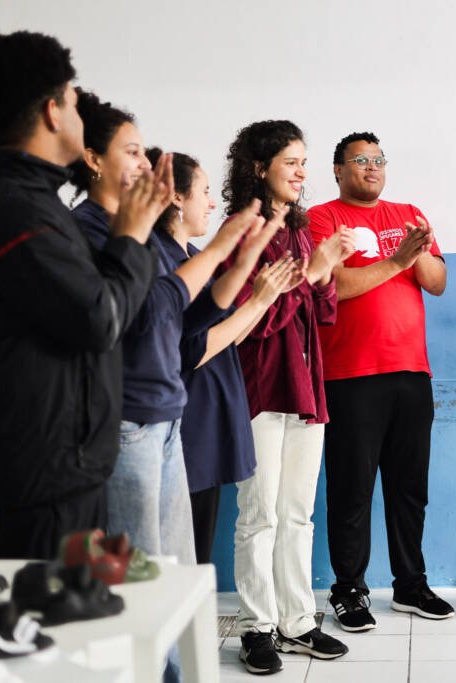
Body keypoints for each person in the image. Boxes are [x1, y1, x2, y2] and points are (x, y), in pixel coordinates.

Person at [0, 31, 169, 559]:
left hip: (68, 457)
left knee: (77, 618)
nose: (79, 114)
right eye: (72, 100)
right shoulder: (12, 208)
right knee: (53, 626)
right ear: (51, 111)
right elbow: (100, 317)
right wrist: (131, 234)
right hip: (47, 461)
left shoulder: (29, 201)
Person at [68, 91, 277, 567]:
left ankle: (179, 646)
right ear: (93, 159)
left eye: (144, 151)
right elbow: (150, 317)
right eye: (133, 151)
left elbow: (188, 315)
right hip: (126, 417)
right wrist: (220, 252)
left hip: (164, 414)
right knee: (144, 572)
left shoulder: (137, 231)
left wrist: (239, 258)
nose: (146, 163)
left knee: (177, 570)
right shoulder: (90, 230)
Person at [223, 120, 355, 675]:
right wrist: (315, 274)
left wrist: (322, 274)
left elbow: (319, 313)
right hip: (260, 388)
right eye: (291, 162)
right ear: (259, 168)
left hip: (306, 389)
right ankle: (258, 627)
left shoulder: (299, 230)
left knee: (297, 514)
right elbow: (252, 320)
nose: (303, 172)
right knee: (259, 516)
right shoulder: (245, 227)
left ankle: (298, 621)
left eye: (304, 162)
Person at [308, 132, 452, 631]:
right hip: (351, 375)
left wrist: (416, 254)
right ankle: (349, 590)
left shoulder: (408, 213)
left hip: (412, 372)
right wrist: (396, 262)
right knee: (351, 489)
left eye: (378, 160)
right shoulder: (324, 219)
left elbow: (436, 282)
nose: (372, 167)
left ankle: (410, 585)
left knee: (409, 487)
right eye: (360, 160)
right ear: (338, 169)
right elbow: (335, 286)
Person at [144, 147, 299, 564]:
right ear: (177, 197)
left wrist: (267, 297)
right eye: (205, 191)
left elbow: (229, 333)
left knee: (198, 551)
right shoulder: (159, 259)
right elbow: (192, 350)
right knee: (179, 556)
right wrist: (257, 301)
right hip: (185, 422)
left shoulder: (193, 258)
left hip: (210, 417)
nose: (212, 202)